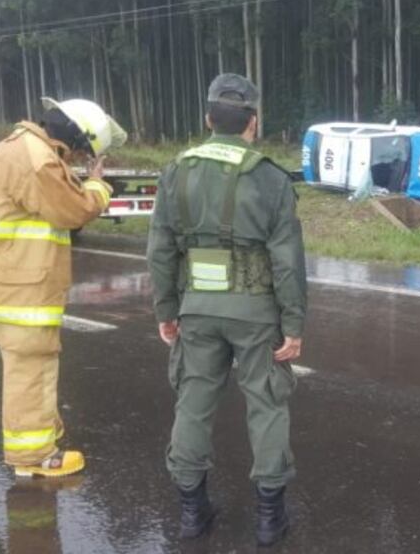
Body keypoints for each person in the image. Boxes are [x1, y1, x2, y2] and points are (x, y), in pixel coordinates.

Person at [146, 73, 307, 546]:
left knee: (193, 403)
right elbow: (287, 262)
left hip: (196, 309)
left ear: (207, 119)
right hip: (257, 313)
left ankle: (193, 514)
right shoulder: (269, 177)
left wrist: (166, 310)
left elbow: (160, 250)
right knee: (267, 405)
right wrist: (293, 324)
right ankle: (268, 519)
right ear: (252, 123)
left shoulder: (177, 170)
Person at [0, 97, 125, 478]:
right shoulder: (38, 159)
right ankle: (32, 457)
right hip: (25, 291)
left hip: (5, 284)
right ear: (74, 136)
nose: (77, 156)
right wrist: (97, 184)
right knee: (30, 372)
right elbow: (75, 210)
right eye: (81, 149)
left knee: (29, 369)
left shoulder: (5, 150)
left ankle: (42, 432)